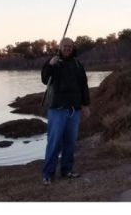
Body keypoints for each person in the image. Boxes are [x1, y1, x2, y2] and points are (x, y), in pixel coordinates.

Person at [41, 37, 90, 184]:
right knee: (54, 142)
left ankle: (67, 169)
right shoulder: (53, 62)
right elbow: (44, 79)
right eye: (64, 46)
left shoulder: (77, 64)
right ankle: (47, 174)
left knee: (71, 142)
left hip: (74, 110)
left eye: (69, 46)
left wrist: (86, 105)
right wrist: (50, 65)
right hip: (57, 110)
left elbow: (84, 86)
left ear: (73, 47)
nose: (67, 48)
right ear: (60, 47)